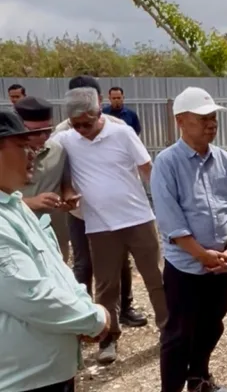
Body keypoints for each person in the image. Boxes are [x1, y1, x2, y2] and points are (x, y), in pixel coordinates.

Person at [51, 86, 168, 364]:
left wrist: (167, 206)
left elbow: (148, 170)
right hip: (100, 226)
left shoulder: (122, 133)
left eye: (87, 123)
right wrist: (66, 190)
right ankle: (108, 338)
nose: (82, 130)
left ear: (98, 112)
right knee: (106, 285)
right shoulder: (65, 139)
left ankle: (169, 329)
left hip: (139, 219)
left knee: (156, 277)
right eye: (76, 125)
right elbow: (54, 164)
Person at [0, 109, 110, 392]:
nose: (32, 153)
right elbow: (30, 295)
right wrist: (93, 319)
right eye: (22, 146)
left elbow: (57, 270)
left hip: (47, 373)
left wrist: (82, 314)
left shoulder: (15, 205)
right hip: (23, 381)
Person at [152, 86, 227, 392]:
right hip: (186, 267)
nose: (211, 124)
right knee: (178, 334)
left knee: (212, 325)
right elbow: (171, 221)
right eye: (203, 118)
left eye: (213, 118)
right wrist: (201, 254)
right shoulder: (167, 163)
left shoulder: (225, 160)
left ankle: (199, 379)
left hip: (222, 265)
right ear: (180, 121)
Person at [53, 76, 147, 328]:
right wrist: (66, 191)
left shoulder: (118, 126)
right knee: (83, 264)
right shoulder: (62, 132)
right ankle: (85, 317)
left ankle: (124, 309)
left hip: (117, 213)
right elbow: (56, 168)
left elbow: (135, 163)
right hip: (80, 213)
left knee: (121, 262)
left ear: (99, 100)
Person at [14, 97, 74, 263]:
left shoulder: (58, 151)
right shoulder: (5, 155)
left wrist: (68, 197)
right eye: (35, 131)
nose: (43, 136)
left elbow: (65, 183)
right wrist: (30, 203)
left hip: (53, 234)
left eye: (48, 130)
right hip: (15, 231)